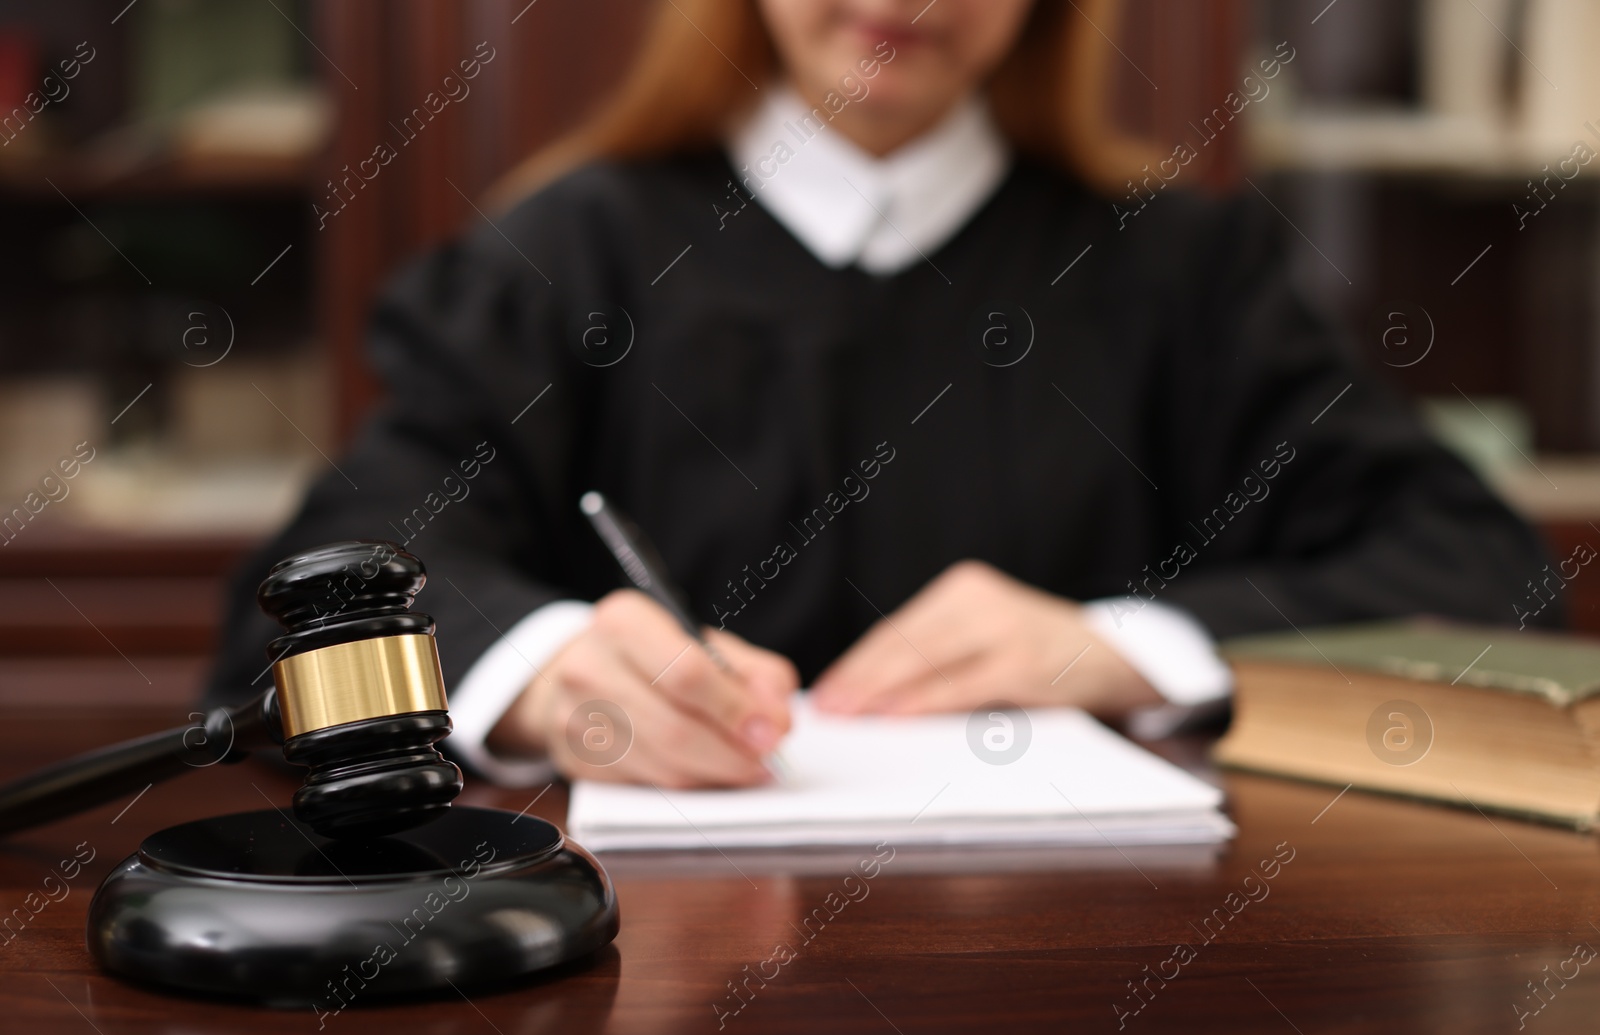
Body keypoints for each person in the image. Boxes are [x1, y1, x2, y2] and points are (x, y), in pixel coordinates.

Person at [207, 0, 1552, 790]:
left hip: (1082, 970)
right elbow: (314, 599)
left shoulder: (1184, 269)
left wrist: (1126, 646)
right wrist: (547, 668)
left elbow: (1480, 566)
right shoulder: (560, 260)